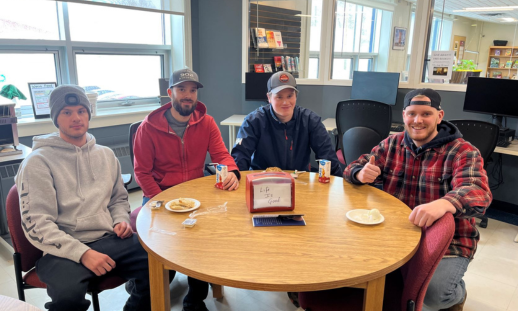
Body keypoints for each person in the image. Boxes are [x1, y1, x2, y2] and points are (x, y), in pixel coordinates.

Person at [343, 88, 492, 311]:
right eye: (412, 113)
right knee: (354, 268)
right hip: (397, 232)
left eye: (426, 114)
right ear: (404, 115)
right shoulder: (392, 143)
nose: (417, 120)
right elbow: (354, 166)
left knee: (434, 294)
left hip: (447, 241)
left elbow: (478, 192)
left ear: (439, 116)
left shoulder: (463, 151)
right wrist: (360, 173)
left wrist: (445, 203)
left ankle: (456, 294)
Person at [15, 85, 151, 311]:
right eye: (66, 112)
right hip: (62, 249)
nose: (76, 118)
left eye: (81, 111)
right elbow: (37, 224)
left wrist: (120, 220)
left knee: (160, 263)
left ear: (89, 114)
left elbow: (118, 198)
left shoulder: (106, 155)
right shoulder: (37, 163)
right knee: (68, 297)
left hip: (108, 238)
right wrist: (83, 253)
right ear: (55, 118)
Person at [133, 68, 239, 311]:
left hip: (196, 195)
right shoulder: (147, 128)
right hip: (158, 195)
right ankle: (144, 281)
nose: (187, 95)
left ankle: (195, 300)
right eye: (182, 89)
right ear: (170, 93)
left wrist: (231, 171)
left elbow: (221, 155)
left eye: (192, 90)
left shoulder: (207, 122)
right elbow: (142, 172)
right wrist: (163, 199)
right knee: (162, 256)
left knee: (205, 241)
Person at [231, 71, 342, 176]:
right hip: (263, 182)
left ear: (296, 96)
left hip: (299, 181)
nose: (286, 102)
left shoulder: (310, 120)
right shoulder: (253, 121)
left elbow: (328, 158)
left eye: (290, 96)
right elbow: (240, 157)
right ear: (269, 98)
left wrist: (336, 185)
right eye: (279, 97)